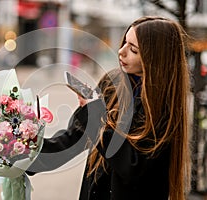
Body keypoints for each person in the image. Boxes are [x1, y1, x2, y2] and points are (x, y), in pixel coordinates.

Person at [27, 16, 191, 200]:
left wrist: (95, 117)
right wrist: (23, 155)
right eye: (124, 43)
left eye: (133, 49)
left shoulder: (164, 105)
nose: (121, 52)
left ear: (156, 58)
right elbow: (73, 138)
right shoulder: (112, 83)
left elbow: (132, 166)